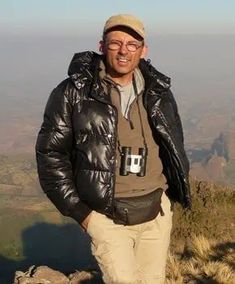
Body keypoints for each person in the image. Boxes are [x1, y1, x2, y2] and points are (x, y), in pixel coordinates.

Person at [36, 14, 191, 284]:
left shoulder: (159, 91)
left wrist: (169, 196)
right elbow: (51, 156)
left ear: (144, 50)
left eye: (132, 44)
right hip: (107, 218)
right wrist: (83, 215)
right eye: (115, 43)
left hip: (156, 213)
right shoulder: (73, 92)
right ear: (101, 45)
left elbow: (173, 143)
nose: (123, 51)